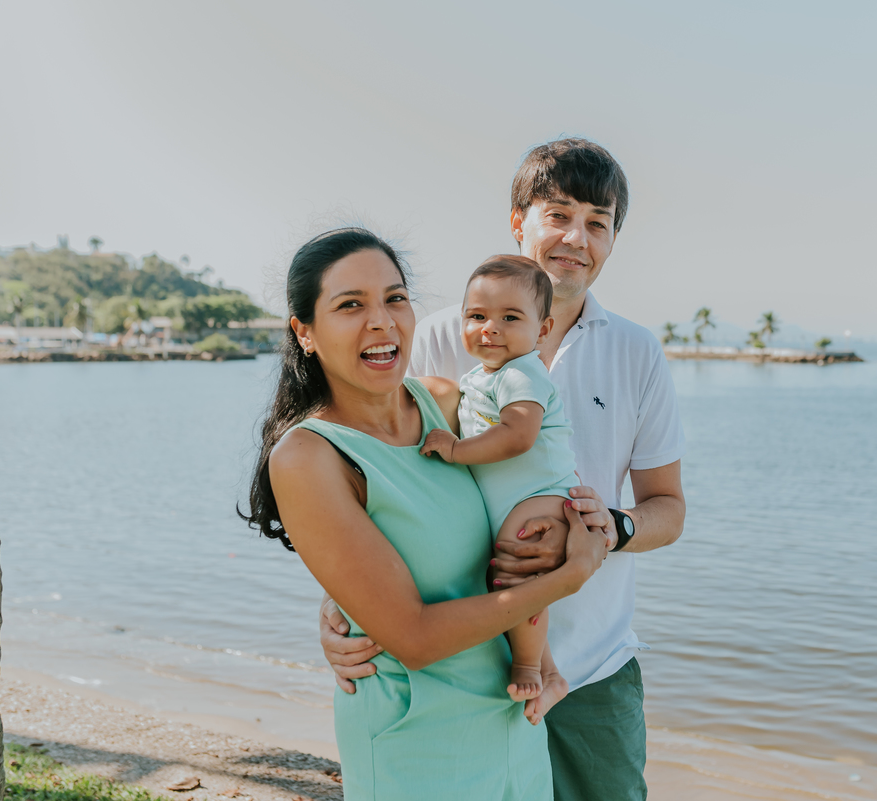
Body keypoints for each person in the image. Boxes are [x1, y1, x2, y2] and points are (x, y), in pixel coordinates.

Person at [321, 139, 688, 801]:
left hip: (595, 673)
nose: (577, 237)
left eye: (598, 223)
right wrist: (339, 600)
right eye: (559, 214)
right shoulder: (440, 336)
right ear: (518, 220)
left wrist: (614, 526)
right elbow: (367, 482)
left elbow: (669, 507)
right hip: (465, 659)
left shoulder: (637, 351)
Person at [244, 228, 610, 800]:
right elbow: (412, 636)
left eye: (394, 298)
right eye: (350, 305)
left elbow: (523, 478)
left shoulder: (442, 402)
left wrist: (587, 520)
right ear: (305, 332)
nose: (382, 321)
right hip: (419, 746)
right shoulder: (307, 456)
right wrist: (569, 577)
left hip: (513, 721)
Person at [420, 255, 575, 710]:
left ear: (542, 330)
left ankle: (528, 668)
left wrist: (454, 450)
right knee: (511, 579)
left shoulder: (522, 374)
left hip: (541, 493)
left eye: (510, 317)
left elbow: (518, 437)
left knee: (516, 570)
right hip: (514, 497)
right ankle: (550, 672)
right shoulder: (482, 376)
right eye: (477, 316)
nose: (490, 327)